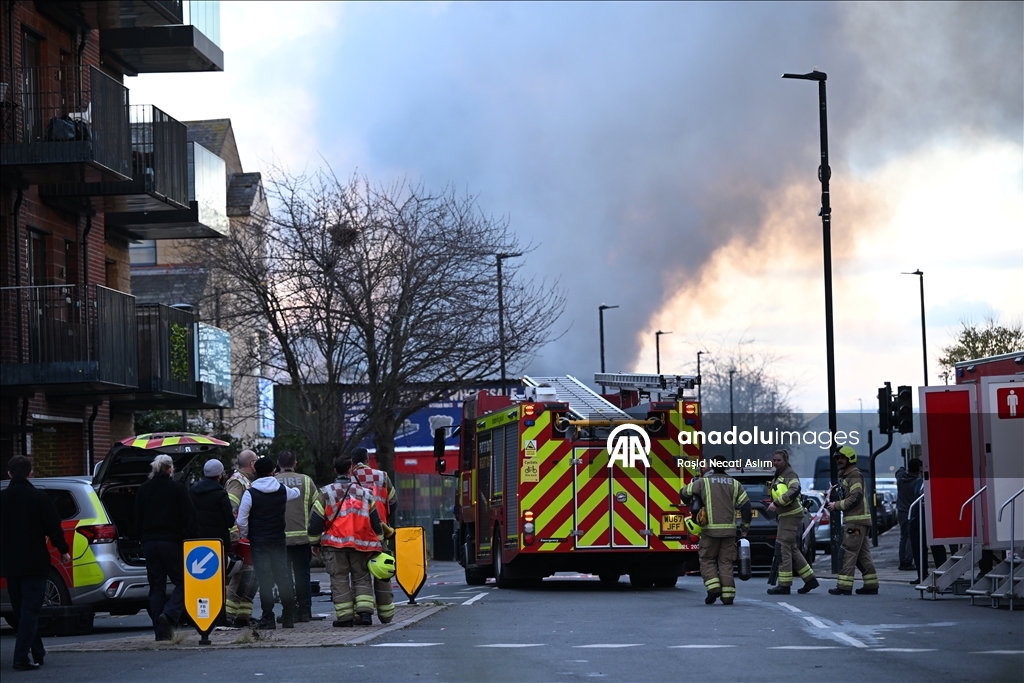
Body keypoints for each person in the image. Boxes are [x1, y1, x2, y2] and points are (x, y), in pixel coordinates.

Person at [0, 456, 71, 670]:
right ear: (30, 473)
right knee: (31, 610)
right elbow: (53, 527)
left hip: (10, 564)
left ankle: (38, 652)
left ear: (9, 474)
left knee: (21, 610)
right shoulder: (39, 498)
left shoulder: (2, 498)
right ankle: (21, 657)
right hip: (34, 561)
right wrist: (63, 550)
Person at [308, 455, 383, 627]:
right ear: (350, 470)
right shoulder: (365, 493)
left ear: (335, 470)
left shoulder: (325, 493)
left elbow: (316, 522)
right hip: (361, 545)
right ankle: (365, 614)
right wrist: (379, 543)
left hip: (335, 546)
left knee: (339, 579)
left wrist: (314, 542)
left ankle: (345, 618)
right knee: (362, 578)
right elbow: (375, 522)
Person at [134, 454, 199, 640]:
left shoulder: (143, 489)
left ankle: (160, 634)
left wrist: (141, 538)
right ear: (171, 469)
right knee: (184, 582)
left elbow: (136, 518)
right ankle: (170, 614)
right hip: (171, 542)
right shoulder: (177, 488)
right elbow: (189, 517)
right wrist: (194, 537)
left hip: (149, 542)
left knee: (156, 587)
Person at [236, 457, 300, 629]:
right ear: (273, 470)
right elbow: (296, 493)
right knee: (283, 576)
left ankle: (267, 617)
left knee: (264, 579)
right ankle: (288, 616)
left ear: (256, 471)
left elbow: (241, 520)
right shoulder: (282, 489)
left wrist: (247, 534)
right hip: (278, 539)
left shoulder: (250, 493)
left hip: (259, 541)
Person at [680, 460, 751, 605]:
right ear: (726, 466)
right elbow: (746, 507)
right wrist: (744, 527)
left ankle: (713, 588)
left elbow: (684, 493)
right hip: (729, 531)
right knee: (726, 562)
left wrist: (693, 500)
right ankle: (728, 596)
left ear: (712, 466)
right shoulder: (735, 484)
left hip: (709, 531)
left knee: (707, 559)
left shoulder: (703, 482)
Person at [351, 447, 397, 623]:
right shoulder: (382, 476)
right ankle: (386, 614)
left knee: (359, 573)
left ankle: (363, 613)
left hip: (357, 532)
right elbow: (393, 501)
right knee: (382, 571)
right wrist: (384, 520)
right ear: (368, 459)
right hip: (379, 531)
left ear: (352, 462)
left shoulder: (348, 479)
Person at [273, 450, 319, 623]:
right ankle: (305, 612)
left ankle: (289, 612)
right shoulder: (306, 481)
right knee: (303, 576)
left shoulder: (272, 482)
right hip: (302, 537)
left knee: (283, 577)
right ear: (295, 463)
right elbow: (318, 506)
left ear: (278, 463)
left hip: (279, 538)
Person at [765, 449, 819, 595]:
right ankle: (810, 579)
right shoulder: (780, 474)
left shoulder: (789, 474)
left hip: (790, 515)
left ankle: (784, 585)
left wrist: (777, 503)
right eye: (774, 460)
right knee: (792, 548)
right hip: (786, 515)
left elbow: (795, 489)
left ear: (786, 460)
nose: (776, 463)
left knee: (783, 547)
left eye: (779, 460)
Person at [827, 446, 878, 595]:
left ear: (850, 458)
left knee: (847, 552)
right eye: (838, 458)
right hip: (859, 521)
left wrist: (837, 505)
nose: (839, 461)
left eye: (842, 458)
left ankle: (844, 586)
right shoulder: (847, 476)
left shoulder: (854, 475)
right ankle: (871, 585)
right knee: (863, 555)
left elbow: (856, 496)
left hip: (855, 521)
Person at [224, 449, 259, 626]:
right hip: (241, 538)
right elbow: (230, 509)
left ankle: (243, 616)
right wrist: (234, 536)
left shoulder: (245, 481)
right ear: (252, 464)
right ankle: (229, 615)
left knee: (250, 578)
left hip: (247, 537)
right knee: (240, 578)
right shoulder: (237, 482)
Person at [189, 459, 234, 551]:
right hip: (218, 542)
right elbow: (230, 521)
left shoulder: (192, 491)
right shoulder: (221, 494)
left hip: (197, 540)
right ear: (220, 475)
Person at [895, 458, 919, 571]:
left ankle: (902, 561)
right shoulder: (916, 482)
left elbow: (899, 469)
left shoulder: (900, 477)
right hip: (910, 511)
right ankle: (908, 561)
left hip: (901, 511)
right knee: (910, 537)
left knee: (903, 536)